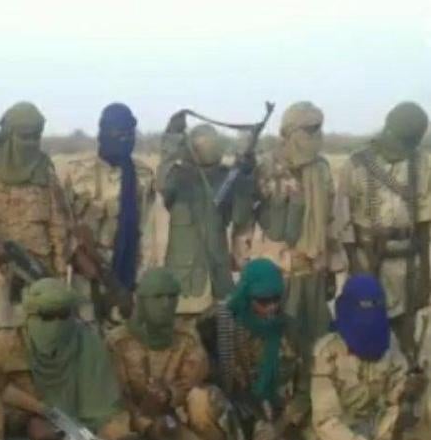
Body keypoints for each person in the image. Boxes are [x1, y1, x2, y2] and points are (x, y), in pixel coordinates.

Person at [0, 278, 137, 440]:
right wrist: (22, 422)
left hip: (75, 433)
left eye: (63, 315)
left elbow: (107, 410)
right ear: (29, 316)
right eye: (46, 316)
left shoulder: (88, 344)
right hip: (18, 436)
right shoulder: (2, 346)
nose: (55, 324)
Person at [301, 275, 426, 440]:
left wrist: (406, 387)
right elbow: (325, 421)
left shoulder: (388, 340)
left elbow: (396, 385)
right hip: (337, 435)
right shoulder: (326, 352)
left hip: (373, 425)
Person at [235, 102, 346, 361]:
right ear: (291, 132)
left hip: (314, 268)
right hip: (278, 272)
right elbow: (245, 221)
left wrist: (332, 266)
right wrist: (246, 269)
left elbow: (329, 219)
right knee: (279, 340)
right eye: (309, 131)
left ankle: (308, 393)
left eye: (318, 130)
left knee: (317, 338)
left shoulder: (321, 168)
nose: (315, 137)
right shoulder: (266, 168)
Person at [106, 268, 225, 440]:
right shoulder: (117, 341)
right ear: (141, 300)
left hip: (169, 418)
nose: (166, 304)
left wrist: (169, 395)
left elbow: (192, 379)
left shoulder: (186, 337)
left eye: (171, 297)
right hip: (128, 421)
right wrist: (143, 422)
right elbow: (114, 397)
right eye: (158, 297)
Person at [212, 259, 308, 440]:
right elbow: (212, 378)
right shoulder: (223, 324)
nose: (271, 308)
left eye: (276, 299)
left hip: (278, 419)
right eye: (263, 301)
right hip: (236, 413)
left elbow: (305, 391)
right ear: (245, 295)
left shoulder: (291, 330)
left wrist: (278, 426)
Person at [337, 101, 431, 357]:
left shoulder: (422, 163)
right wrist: (356, 270)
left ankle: (406, 385)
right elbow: (344, 221)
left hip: (406, 265)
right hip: (368, 260)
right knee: (365, 332)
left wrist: (426, 274)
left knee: (407, 335)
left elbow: (424, 223)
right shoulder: (356, 164)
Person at [0, 102, 70, 338]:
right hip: (1, 272)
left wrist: (57, 274)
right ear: (9, 134)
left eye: (36, 137)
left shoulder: (44, 167)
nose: (31, 143)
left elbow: (58, 222)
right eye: (25, 137)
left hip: (41, 270)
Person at [57, 103, 157, 326]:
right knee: (86, 333)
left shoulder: (143, 176)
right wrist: (77, 256)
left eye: (129, 133)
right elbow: (62, 223)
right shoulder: (76, 172)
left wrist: (139, 282)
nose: (125, 138)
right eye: (118, 132)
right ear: (102, 132)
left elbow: (147, 230)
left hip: (126, 274)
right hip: (86, 273)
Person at [157, 112, 251, 327]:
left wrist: (245, 180)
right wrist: (172, 137)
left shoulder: (227, 178)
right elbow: (163, 182)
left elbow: (240, 216)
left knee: (222, 347)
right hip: (186, 286)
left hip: (218, 281)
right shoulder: (178, 178)